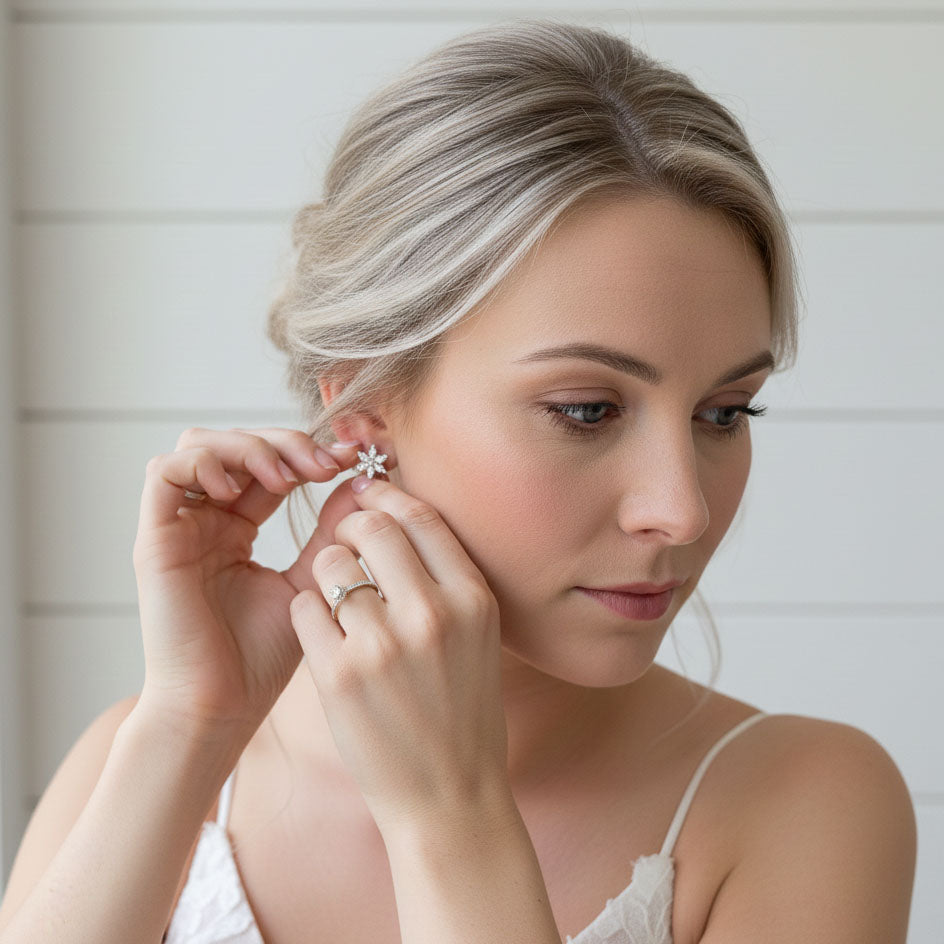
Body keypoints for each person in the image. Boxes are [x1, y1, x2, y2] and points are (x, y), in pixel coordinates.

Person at [0, 18, 917, 944]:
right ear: (365, 407)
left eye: (724, 413)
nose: (682, 512)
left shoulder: (802, 805)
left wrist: (451, 817)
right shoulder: (139, 756)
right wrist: (195, 725)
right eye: (586, 410)